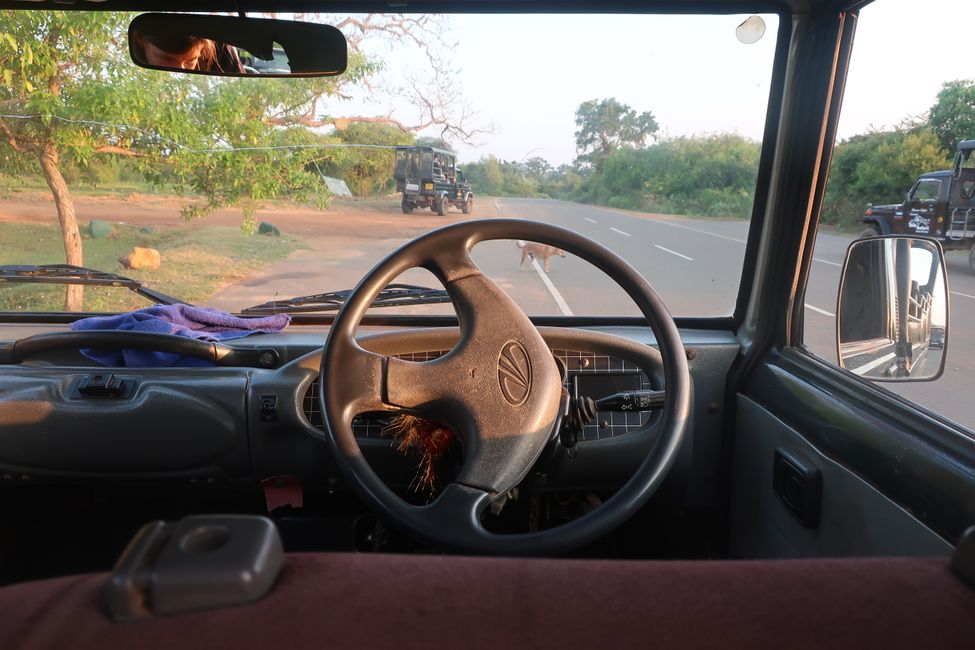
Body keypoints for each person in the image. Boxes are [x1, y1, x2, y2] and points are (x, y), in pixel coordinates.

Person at [132, 30, 244, 73]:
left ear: (202, 53)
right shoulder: (136, 71)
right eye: (166, 58)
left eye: (191, 61)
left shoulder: (222, 55)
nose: (180, 71)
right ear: (140, 41)